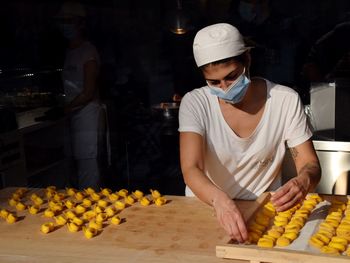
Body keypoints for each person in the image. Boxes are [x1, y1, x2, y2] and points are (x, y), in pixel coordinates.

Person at [178, 23, 321, 243]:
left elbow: (309, 163)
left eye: (232, 77)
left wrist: (303, 180)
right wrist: (220, 201)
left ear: (247, 60)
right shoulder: (196, 103)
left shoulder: (284, 100)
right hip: (207, 208)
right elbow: (191, 168)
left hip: (265, 211)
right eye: (214, 82)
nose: (224, 88)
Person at [56, 1, 107, 190]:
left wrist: (65, 109)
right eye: (62, 21)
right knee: (76, 161)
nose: (64, 25)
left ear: (81, 24)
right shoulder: (69, 52)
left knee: (88, 162)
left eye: (69, 20)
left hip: (87, 114)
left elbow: (88, 92)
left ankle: (91, 205)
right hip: (73, 113)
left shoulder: (88, 51)